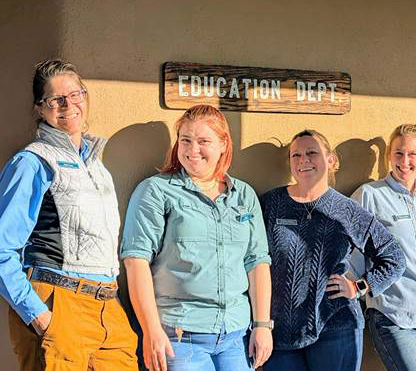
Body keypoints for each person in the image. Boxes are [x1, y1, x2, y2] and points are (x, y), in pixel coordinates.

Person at [0, 59, 138, 371]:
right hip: (58, 303)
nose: (69, 105)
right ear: (40, 108)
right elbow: (1, 248)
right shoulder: (32, 163)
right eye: (56, 99)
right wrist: (39, 315)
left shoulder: (96, 166)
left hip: (108, 310)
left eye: (76, 95)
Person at [121, 105, 272, 371]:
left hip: (235, 336)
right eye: (185, 140)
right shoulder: (156, 191)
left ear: (224, 144)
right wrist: (152, 330)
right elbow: (136, 261)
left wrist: (262, 325)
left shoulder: (244, 195)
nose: (192, 150)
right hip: (179, 336)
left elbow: (257, 261)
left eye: (203, 141)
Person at [259, 129, 405, 371]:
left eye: (311, 153)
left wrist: (359, 287)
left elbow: (393, 257)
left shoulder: (347, 210)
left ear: (331, 160)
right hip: (281, 331)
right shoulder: (270, 204)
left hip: (336, 328)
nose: (303, 160)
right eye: (296, 155)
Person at [350, 124, 416, 371]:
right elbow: (351, 256)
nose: (404, 161)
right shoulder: (369, 196)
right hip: (395, 316)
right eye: (398, 153)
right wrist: (358, 288)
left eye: (412, 154)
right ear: (389, 155)